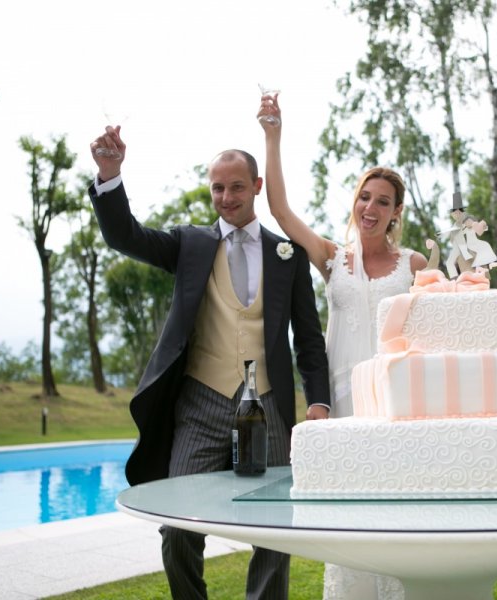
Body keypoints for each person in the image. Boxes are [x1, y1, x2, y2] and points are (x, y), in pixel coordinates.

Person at [88, 125, 331, 600]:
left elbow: (308, 337)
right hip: (200, 403)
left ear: (256, 187)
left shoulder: (288, 254)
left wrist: (318, 400)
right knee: (178, 526)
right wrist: (109, 174)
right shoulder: (189, 244)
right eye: (218, 187)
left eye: (236, 186)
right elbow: (124, 236)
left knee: (274, 527)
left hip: (269, 403)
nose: (226, 196)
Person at [259, 94, 427, 599]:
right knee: (350, 514)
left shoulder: (415, 265)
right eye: (364, 197)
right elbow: (281, 211)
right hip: (343, 399)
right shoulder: (332, 257)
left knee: (394, 510)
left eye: (382, 201)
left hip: (397, 404)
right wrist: (273, 134)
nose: (370, 207)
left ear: (396, 212)